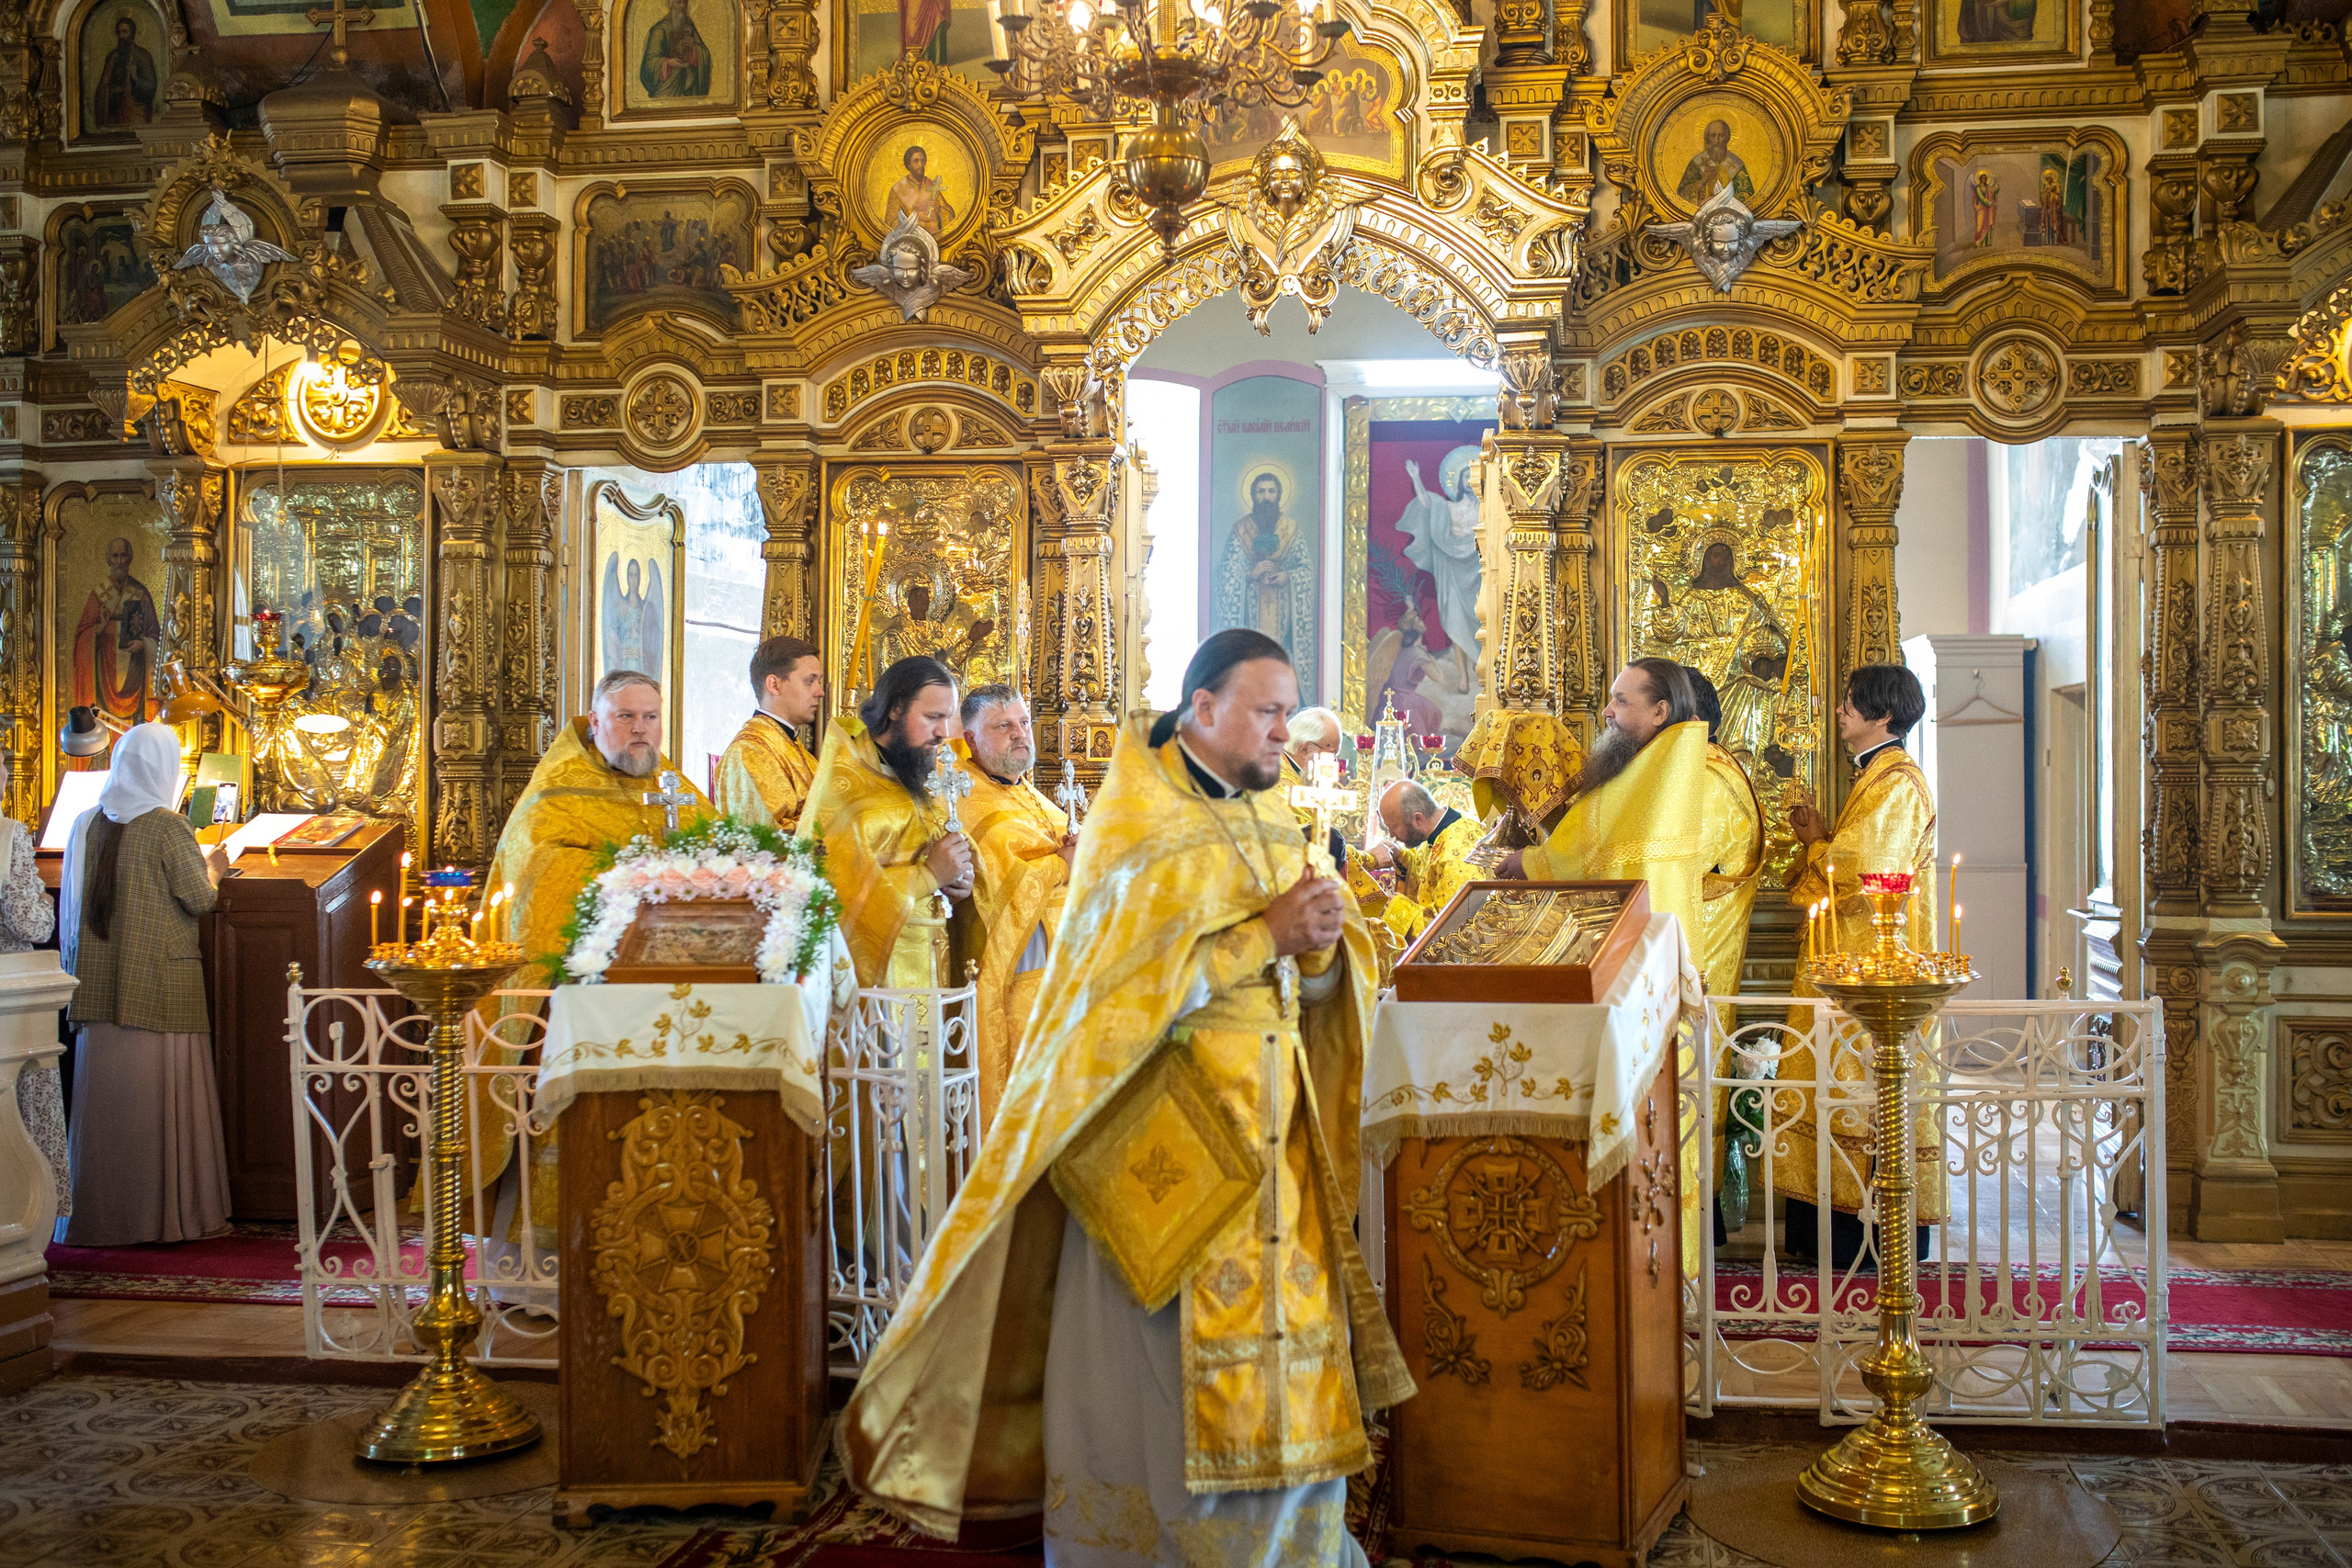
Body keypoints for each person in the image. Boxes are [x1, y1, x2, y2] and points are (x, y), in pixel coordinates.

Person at [841, 628, 1408, 1563]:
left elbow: (1297, 979)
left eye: (1284, 710)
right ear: (1203, 711)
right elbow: (1109, 996)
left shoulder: (1270, 814)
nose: (1282, 732)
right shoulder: (1133, 821)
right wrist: (1262, 936)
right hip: (1162, 1149)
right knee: (1159, 1380)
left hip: (1273, 1144)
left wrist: (1318, 957)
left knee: (1283, 1368)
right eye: (1265, 712)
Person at [475, 671, 709, 1278]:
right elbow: (541, 889)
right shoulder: (555, 797)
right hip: (578, 1000)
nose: (641, 729)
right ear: (594, 721)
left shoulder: (673, 786)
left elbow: (724, 857)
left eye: (651, 717)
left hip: (674, 999)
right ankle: (550, 1265)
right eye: (626, 716)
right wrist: (638, 887)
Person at [1779, 663, 1943, 1263]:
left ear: (1884, 715)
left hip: (1872, 971)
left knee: (1863, 1094)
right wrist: (1822, 837)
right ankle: (1833, 1234)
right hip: (1849, 962)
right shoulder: (1877, 776)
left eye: (1852, 702)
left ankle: (1863, 1239)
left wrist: (1818, 845)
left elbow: (1869, 869)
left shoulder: (1899, 782)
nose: (1841, 710)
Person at [55, 723, 232, 1246]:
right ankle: (171, 1218)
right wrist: (216, 868)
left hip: (101, 987)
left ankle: (99, 1218)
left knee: (106, 1106)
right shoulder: (165, 825)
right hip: (160, 985)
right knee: (161, 1105)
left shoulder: (86, 823)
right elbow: (199, 899)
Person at [1498, 659, 1712, 943]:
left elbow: (1589, 846)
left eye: (1621, 702)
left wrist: (1529, 863)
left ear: (1659, 711)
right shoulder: (1664, 764)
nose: (1607, 711)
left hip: (1636, 937)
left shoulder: (1650, 774)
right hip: (1656, 934)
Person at [797, 655, 972, 988]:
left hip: (932, 963)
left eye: (948, 718)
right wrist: (929, 874)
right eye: (932, 717)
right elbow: (833, 895)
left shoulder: (918, 772)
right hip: (878, 980)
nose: (943, 733)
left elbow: (939, 851)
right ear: (894, 708)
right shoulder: (844, 785)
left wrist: (961, 879)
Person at [952, 683, 1073, 1128]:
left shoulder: (1029, 792)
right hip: (1018, 966)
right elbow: (996, 885)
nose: (1020, 733)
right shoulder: (964, 795)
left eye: (1023, 723)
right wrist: (1062, 863)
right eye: (1003, 726)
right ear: (971, 738)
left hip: (1063, 961)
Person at [1684, 665, 1763, 1278]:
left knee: (1691, 1072)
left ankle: (1694, 1227)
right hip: (1691, 948)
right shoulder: (1703, 769)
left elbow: (1681, 859)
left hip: (1698, 949)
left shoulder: (1708, 777)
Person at [0, 810, 62, 1226]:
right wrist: (45, 904)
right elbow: (30, 923)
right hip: (9, 991)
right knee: (19, 1117)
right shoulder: (7, 833)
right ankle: (24, 1229)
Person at [1213, 472, 1315, 695]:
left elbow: (1305, 570)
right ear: (1253, 495)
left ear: (1278, 495)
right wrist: (1250, 574)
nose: (1266, 497)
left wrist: (1287, 576)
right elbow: (1227, 574)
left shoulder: (1291, 529)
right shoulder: (1241, 530)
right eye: (1261, 491)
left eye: (1271, 491)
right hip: (1251, 625)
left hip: (1284, 628)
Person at [715, 635, 823, 833]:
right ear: (774, 685)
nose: (820, 692)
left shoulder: (795, 748)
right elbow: (762, 840)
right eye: (810, 681)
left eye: (818, 681)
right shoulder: (748, 753)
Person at [1369, 778, 1477, 942]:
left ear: (1418, 819)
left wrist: (1398, 907)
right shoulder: (1439, 831)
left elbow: (1452, 919)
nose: (1391, 834)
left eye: (1394, 826)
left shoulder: (1459, 847)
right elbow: (1428, 870)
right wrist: (1402, 857)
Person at [94, 15, 157, 127]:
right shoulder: (113, 57)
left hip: (137, 110)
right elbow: (103, 86)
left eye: (125, 31)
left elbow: (151, 87)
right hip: (117, 110)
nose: (121, 36)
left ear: (132, 33)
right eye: (119, 32)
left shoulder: (143, 56)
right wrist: (112, 90)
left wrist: (135, 78)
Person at [639, 0, 712, 97]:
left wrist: (694, 47)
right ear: (671, 4)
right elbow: (649, 62)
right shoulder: (659, 29)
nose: (682, 6)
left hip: (687, 83)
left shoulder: (689, 27)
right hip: (666, 86)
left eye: (684, 2)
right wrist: (667, 62)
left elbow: (705, 54)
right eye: (678, 2)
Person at [1675, 118, 1755, 205]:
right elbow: (1682, 193)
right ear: (1707, 138)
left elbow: (1747, 194)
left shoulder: (1736, 163)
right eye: (1713, 136)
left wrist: (1722, 200)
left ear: (1727, 138)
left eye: (1721, 135)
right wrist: (1701, 182)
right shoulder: (1696, 162)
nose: (1717, 140)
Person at [888, 145, 956, 238]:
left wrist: (939, 210)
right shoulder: (898, 189)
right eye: (916, 161)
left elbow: (949, 215)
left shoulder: (932, 185)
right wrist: (914, 218)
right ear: (908, 164)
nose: (921, 165)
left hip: (934, 239)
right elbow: (891, 222)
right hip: (910, 242)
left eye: (923, 161)